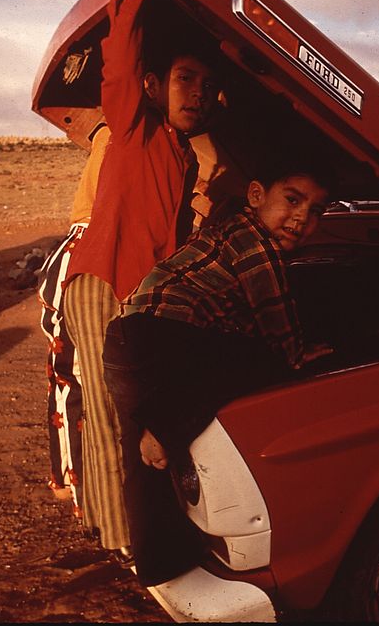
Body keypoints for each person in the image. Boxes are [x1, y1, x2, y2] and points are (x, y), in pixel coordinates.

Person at [60, 0, 229, 562]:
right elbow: (121, 59)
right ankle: (123, 544)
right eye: (186, 80)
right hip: (103, 282)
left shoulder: (186, 159)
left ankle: (136, 532)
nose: (198, 94)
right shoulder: (135, 125)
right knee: (113, 423)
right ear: (155, 85)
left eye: (207, 87)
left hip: (135, 298)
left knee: (139, 423)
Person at [102, 163, 336, 588]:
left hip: (126, 338)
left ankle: (159, 563)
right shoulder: (256, 245)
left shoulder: (228, 229)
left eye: (318, 210)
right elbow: (278, 329)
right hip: (164, 337)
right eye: (293, 199)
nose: (303, 218)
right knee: (262, 361)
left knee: (147, 468)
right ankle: (165, 423)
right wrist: (302, 354)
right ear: (255, 195)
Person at [37, 123, 110, 518]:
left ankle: (69, 482)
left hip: (83, 249)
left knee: (68, 375)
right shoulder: (117, 130)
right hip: (84, 250)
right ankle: (71, 485)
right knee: (72, 377)